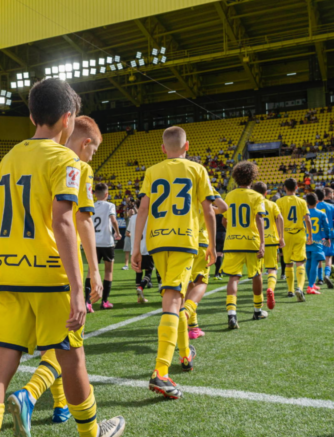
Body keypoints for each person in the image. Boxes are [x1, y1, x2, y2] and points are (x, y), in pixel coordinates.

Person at [0, 79, 124, 437]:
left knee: (0, 367)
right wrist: (79, 285)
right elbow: (63, 221)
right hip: (50, 278)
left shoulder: (11, 156)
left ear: (31, 116)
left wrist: (5, 259)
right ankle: (92, 434)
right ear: (68, 119)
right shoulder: (66, 160)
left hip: (8, 276)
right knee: (72, 361)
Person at [6, 115, 107, 435]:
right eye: (93, 150)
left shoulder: (26, 159)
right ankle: (30, 394)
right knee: (65, 345)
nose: (93, 157)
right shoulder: (76, 166)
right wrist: (93, 271)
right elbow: (81, 221)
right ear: (86, 143)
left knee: (53, 343)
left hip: (17, 269)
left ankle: (60, 404)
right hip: (58, 270)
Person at [132, 126, 216, 400]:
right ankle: (160, 372)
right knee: (172, 300)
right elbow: (208, 210)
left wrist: (136, 246)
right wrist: (214, 245)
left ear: (162, 148)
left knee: (175, 299)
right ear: (187, 146)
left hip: (156, 242)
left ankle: (183, 355)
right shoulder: (197, 170)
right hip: (184, 240)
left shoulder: (152, 171)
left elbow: (142, 209)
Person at [185, 188, 227, 339]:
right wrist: (208, 208)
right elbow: (223, 207)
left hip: (182, 241)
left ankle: (193, 327)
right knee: (201, 282)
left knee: (189, 283)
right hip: (201, 242)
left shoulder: (177, 184)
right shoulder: (203, 184)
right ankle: (186, 312)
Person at [276, 178, 314, 302]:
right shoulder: (302, 201)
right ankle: (300, 288)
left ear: (284, 188)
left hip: (285, 234)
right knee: (300, 262)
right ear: (297, 188)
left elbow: (277, 219)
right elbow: (307, 220)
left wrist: (279, 236)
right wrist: (310, 236)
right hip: (299, 234)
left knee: (288, 263)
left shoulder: (279, 201)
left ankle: (290, 290)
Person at [87, 183, 122, 309]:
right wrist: (117, 233)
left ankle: (87, 302)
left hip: (93, 242)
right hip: (107, 242)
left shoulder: (90, 205)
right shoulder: (110, 205)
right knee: (108, 271)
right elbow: (113, 220)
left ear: (95, 194)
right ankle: (105, 302)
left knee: (91, 271)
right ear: (106, 194)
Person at [252, 181, 284, 311]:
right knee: (272, 269)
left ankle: (258, 301)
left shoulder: (252, 203)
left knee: (257, 271)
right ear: (266, 193)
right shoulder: (272, 204)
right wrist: (281, 237)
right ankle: (270, 288)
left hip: (256, 240)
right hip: (271, 240)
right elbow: (280, 218)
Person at [305, 194, 332, 295]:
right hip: (317, 241)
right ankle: (310, 286)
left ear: (307, 202)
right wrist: (327, 238)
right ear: (317, 202)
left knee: (309, 261)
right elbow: (326, 227)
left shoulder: (304, 213)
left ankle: (311, 283)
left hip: (306, 240)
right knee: (315, 263)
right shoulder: (321, 213)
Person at [315, 188, 334, 289]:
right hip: (328, 234)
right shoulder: (331, 206)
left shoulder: (312, 206)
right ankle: (327, 275)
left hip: (317, 235)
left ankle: (320, 278)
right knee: (328, 257)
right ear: (325, 195)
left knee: (319, 257)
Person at [213, 212, 226, 280]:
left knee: (215, 254)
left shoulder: (213, 213)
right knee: (220, 254)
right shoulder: (223, 213)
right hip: (222, 234)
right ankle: (217, 273)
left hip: (214, 234)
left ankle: (219, 272)